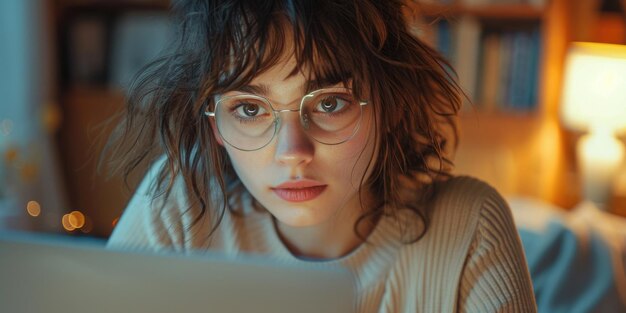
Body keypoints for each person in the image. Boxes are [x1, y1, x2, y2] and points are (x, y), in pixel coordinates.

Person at [104, 0, 537, 312]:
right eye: (250, 109)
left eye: (329, 103)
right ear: (215, 122)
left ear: (390, 104)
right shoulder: (180, 204)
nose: (293, 153)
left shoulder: (468, 229)